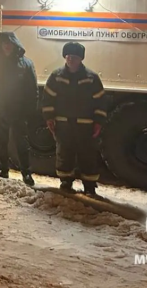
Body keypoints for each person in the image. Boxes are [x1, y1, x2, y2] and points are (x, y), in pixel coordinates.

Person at [40, 42, 106, 196]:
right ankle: (66, 182)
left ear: (81, 59)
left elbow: (101, 102)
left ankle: (89, 186)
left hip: (86, 126)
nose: (71, 59)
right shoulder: (56, 76)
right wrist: (49, 118)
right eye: (68, 56)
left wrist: (98, 122)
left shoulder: (91, 78)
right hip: (63, 124)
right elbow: (48, 99)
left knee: (88, 155)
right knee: (64, 154)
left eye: (74, 57)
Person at [0, 32, 39, 186]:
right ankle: (3, 169)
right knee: (1, 142)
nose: (7, 46)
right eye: (4, 43)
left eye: (10, 43)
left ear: (15, 44)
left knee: (22, 143)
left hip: (19, 111)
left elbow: (32, 90)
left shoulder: (26, 64)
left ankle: (26, 173)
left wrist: (31, 111)